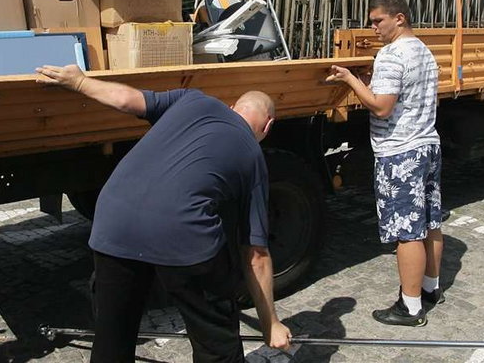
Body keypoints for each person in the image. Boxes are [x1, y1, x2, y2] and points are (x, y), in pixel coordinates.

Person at [35, 64, 292, 362]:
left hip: (113, 219)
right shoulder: (252, 154)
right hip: (181, 231)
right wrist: (269, 322)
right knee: (217, 340)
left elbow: (126, 100)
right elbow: (256, 253)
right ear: (268, 125)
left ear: (233, 106)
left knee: (112, 337)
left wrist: (79, 82)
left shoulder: (193, 99)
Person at [325, 0, 443, 327]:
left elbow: (381, 106)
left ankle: (410, 306)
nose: (373, 27)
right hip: (426, 144)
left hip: (400, 150)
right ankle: (431, 288)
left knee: (407, 231)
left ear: (399, 18)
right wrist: (368, 82)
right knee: (431, 223)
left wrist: (349, 79)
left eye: (378, 21)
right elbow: (399, 94)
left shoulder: (391, 55)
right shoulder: (423, 50)